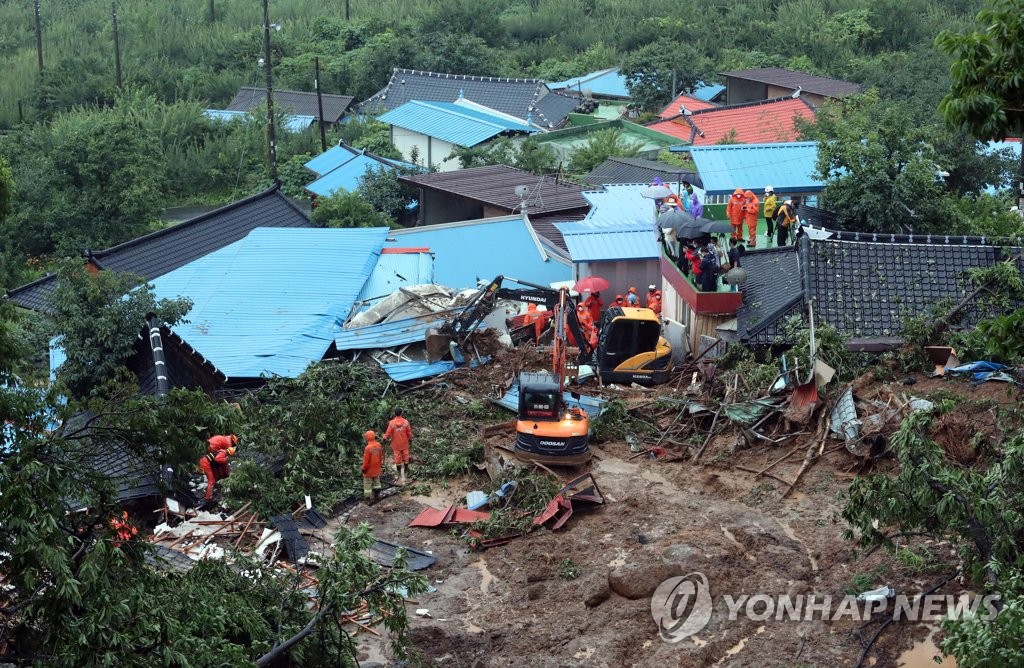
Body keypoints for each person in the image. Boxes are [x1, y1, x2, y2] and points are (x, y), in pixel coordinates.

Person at [199, 434, 237, 503]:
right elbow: (218, 460)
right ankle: (207, 498)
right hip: (206, 463)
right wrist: (226, 462)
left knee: (214, 474)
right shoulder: (224, 451)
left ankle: (211, 490)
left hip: (207, 459)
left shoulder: (223, 447)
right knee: (211, 481)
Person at [383, 408, 413, 484]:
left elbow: (388, 432)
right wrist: (410, 439)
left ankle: (399, 474)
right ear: (401, 413)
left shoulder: (392, 423)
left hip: (396, 444)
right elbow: (409, 432)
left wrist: (384, 438)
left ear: (394, 413)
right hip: (404, 443)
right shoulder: (406, 422)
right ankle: (406, 472)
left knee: (397, 458)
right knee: (406, 457)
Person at [361, 430, 383, 501]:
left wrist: (363, 468)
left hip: (369, 469)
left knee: (367, 483)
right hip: (377, 467)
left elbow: (366, 461)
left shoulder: (368, 448)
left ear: (367, 438)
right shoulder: (379, 445)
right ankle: (377, 495)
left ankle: (368, 498)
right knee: (377, 481)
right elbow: (380, 456)